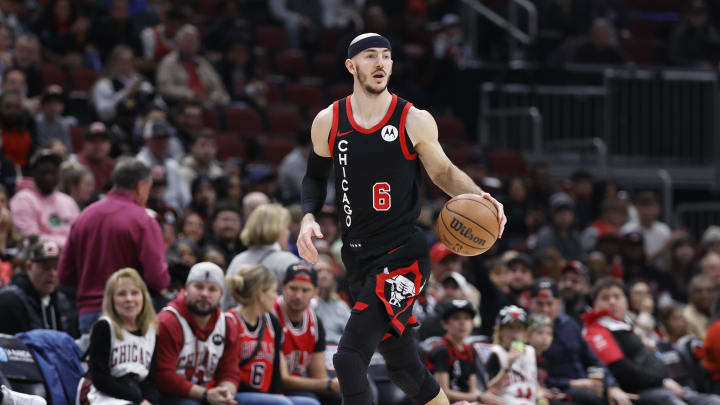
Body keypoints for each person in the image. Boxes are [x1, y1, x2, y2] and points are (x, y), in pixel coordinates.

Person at [296, 32, 508, 405]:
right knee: (403, 367)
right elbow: (314, 176)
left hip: (402, 257)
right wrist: (307, 217)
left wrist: (478, 197)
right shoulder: (329, 120)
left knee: (348, 359)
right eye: (369, 56)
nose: (380, 63)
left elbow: (442, 172)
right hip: (357, 257)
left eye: (386, 56)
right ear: (351, 65)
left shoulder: (413, 119)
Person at [59, 158, 169, 334]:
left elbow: (65, 275)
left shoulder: (84, 217)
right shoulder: (143, 221)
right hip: (129, 315)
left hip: (88, 315)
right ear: (141, 186)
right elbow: (157, 278)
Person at [583, 278, 720, 405]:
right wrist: (661, 381)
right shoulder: (596, 330)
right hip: (640, 391)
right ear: (594, 304)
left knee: (714, 401)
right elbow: (621, 369)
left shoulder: (624, 325)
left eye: (617, 296)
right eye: (605, 298)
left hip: (664, 383)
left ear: (626, 301)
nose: (612, 302)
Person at [224, 264, 320, 405]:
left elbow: (276, 372)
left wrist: (278, 394)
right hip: (236, 393)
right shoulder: (230, 321)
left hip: (265, 395)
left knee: (310, 403)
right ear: (261, 294)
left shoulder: (272, 322)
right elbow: (226, 373)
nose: (276, 296)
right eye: (274, 291)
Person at [528, 278, 632, 405]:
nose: (545, 310)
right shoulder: (525, 331)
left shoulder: (570, 324)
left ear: (559, 304)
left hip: (587, 387)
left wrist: (611, 385)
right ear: (530, 304)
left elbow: (592, 359)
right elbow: (535, 376)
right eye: (539, 304)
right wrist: (572, 383)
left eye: (549, 304)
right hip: (555, 391)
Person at [155, 262, 240, 405]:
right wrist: (206, 394)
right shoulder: (168, 321)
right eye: (198, 287)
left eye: (212, 289)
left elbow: (230, 372)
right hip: (170, 395)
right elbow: (164, 377)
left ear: (221, 295)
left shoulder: (227, 324)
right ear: (186, 289)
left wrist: (226, 395)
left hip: (209, 394)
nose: (205, 294)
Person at [81, 268, 159, 404]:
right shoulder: (104, 326)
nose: (129, 299)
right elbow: (100, 379)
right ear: (111, 300)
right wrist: (138, 400)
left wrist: (149, 401)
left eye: (134, 293)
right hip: (103, 395)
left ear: (144, 297)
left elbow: (150, 380)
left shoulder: (151, 331)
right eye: (122, 294)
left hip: (135, 394)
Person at [273, 263, 342, 403]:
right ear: (283, 287)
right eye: (293, 288)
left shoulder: (315, 321)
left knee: (340, 398)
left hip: (297, 385)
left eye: (305, 290)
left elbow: (318, 375)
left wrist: (332, 385)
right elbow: (282, 379)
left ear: (315, 292)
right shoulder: (272, 315)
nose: (298, 296)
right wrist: (329, 384)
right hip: (273, 386)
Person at [425, 299, 502, 405]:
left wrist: (487, 397)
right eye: (456, 318)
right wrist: (479, 397)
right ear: (444, 324)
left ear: (472, 324)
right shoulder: (442, 350)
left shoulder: (469, 350)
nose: (462, 323)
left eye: (467, 318)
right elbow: (443, 393)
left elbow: (472, 389)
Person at [223, 204, 299, 310]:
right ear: (277, 229)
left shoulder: (238, 260)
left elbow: (225, 303)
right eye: (286, 227)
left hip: (238, 323)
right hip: (276, 325)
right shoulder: (288, 261)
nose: (288, 233)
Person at [0, 239, 78, 337]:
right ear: (29, 266)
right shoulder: (9, 301)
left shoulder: (63, 302)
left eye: (56, 268)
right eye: (45, 267)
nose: (52, 274)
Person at [10, 150, 79, 247]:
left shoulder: (68, 201)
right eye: (44, 172)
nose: (49, 176)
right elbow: (31, 239)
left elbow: (78, 235)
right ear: (33, 173)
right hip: (40, 259)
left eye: (53, 172)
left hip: (70, 256)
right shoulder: (23, 199)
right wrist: (67, 244)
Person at [485, 305, 539, 405]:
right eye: (510, 327)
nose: (514, 333)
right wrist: (507, 365)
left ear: (525, 332)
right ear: (500, 331)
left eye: (519, 328)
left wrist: (541, 398)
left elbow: (534, 382)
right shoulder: (495, 353)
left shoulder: (530, 351)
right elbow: (489, 391)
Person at [311, 253, 351, 344]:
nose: (324, 275)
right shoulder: (306, 303)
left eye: (328, 271)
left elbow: (353, 332)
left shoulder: (340, 305)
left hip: (337, 348)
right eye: (319, 271)